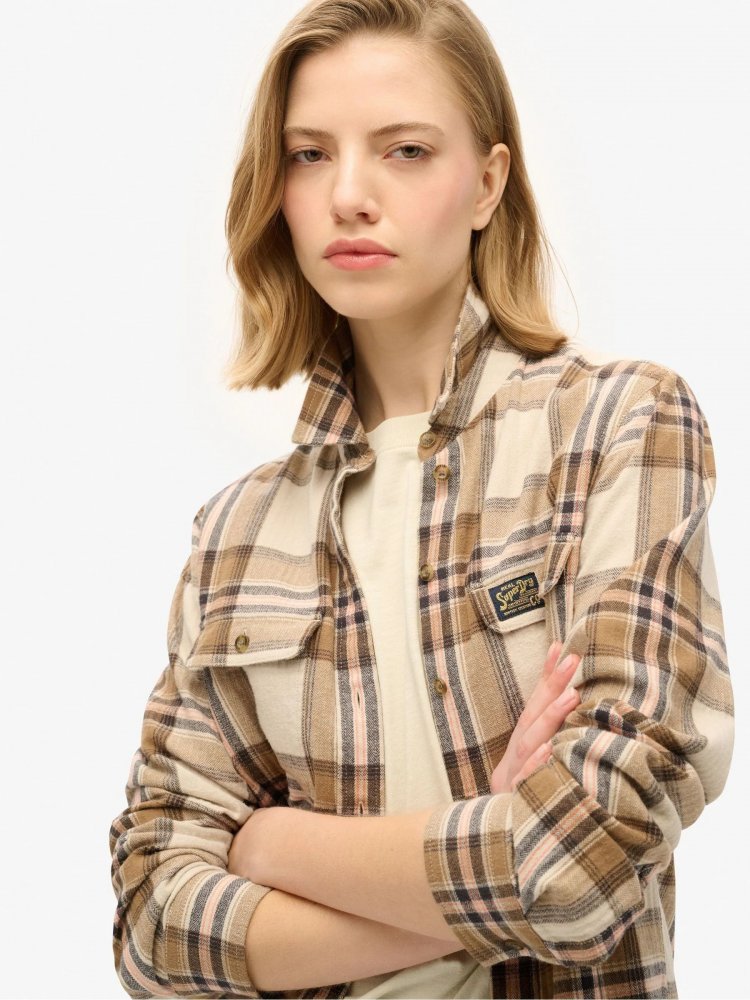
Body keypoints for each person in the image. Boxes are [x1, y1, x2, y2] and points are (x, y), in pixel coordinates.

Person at [108, 1, 734, 997]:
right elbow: (151, 925)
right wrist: (491, 836)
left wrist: (272, 843)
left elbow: (586, 866)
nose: (349, 195)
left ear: (488, 182)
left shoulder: (618, 427)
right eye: (309, 155)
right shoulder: (236, 534)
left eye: (405, 151)